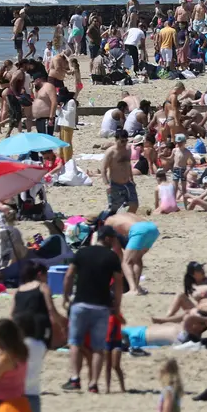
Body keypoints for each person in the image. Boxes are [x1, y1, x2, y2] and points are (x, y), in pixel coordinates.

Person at [62, 226, 124, 393]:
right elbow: (118, 283)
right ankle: (93, 384)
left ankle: (75, 378)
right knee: (98, 347)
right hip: (101, 306)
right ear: (109, 239)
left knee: (75, 342)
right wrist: (117, 305)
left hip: (80, 303)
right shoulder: (112, 257)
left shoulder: (82, 253)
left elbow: (69, 275)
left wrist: (65, 296)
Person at [103, 212, 160, 297]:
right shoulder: (125, 215)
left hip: (139, 229)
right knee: (137, 259)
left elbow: (117, 250)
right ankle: (137, 288)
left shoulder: (108, 222)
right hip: (153, 228)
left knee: (126, 262)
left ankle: (133, 289)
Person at [103, 129, 139, 214]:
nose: (124, 143)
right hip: (115, 184)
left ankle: (126, 221)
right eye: (122, 141)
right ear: (116, 140)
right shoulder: (110, 152)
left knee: (134, 204)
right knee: (113, 210)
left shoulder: (128, 150)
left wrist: (132, 179)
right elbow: (103, 169)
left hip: (128, 183)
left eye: (126, 140)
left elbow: (128, 165)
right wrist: (107, 184)